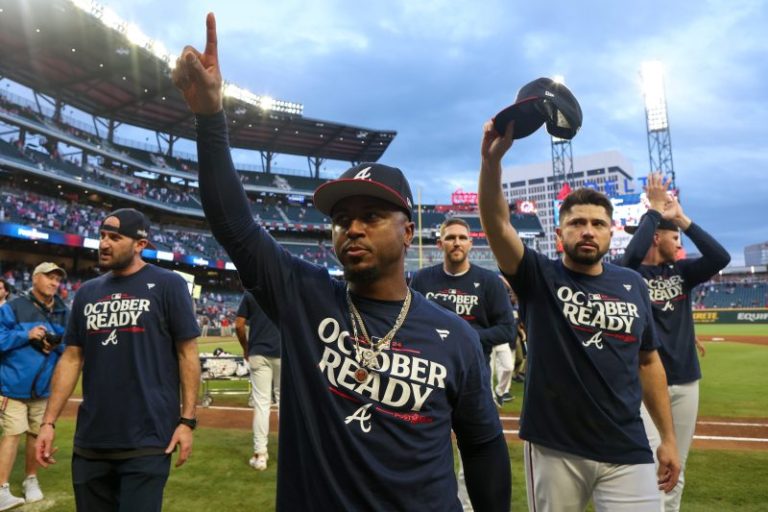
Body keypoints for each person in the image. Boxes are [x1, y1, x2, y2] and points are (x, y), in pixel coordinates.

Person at [171, 13, 510, 511]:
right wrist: (209, 118)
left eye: (371, 215)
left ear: (408, 231)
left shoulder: (453, 336)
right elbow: (235, 227)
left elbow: (482, 446)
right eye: (341, 218)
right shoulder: (306, 298)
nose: (351, 227)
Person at [477, 119, 680, 511]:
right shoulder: (539, 275)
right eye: (577, 223)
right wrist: (491, 163)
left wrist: (667, 437)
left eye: (597, 224)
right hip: (557, 445)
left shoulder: (632, 284)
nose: (588, 231)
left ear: (610, 232)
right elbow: (497, 223)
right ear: (560, 234)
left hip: (627, 443)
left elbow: (649, 361)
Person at [35, 208, 201, 512]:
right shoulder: (87, 292)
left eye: (115, 237)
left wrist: (187, 421)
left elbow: (187, 353)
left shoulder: (168, 285)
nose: (104, 244)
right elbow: (72, 358)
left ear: (140, 244)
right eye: (101, 236)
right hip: (91, 441)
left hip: (148, 440)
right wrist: (48, 422)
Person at [620, 172, 730, 511]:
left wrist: (681, 218)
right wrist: (654, 213)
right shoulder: (629, 276)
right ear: (655, 238)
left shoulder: (681, 274)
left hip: (684, 381)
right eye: (675, 237)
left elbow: (719, 258)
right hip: (643, 384)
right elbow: (628, 258)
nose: (681, 244)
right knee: (652, 463)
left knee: (675, 467)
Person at [410, 218, 515, 511]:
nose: (456, 242)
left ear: (471, 244)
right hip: (426, 378)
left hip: (473, 378)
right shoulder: (421, 280)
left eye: (462, 237)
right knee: (426, 446)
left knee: (475, 448)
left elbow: (507, 328)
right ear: (439, 243)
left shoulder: (490, 282)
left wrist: (465, 337)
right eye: (450, 237)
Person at [0, 262, 68, 509]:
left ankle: (31, 479)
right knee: (12, 435)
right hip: (13, 385)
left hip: (44, 387)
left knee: (36, 435)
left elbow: (70, 348)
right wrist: (25, 335)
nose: (54, 283)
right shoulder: (14, 307)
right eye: (49, 277)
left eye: (57, 280)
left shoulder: (62, 310)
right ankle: (1, 488)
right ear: (35, 278)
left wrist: (55, 344)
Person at [235, 290, 281, 471]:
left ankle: (260, 455)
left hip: (258, 353)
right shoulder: (285, 292)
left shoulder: (251, 293)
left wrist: (246, 348)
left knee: (262, 404)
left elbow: (239, 325)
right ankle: (290, 452)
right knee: (285, 404)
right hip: (283, 352)